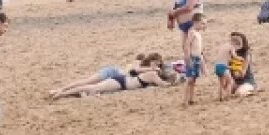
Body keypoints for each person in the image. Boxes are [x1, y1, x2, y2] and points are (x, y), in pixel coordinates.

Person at [48, 53, 177, 99]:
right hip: (117, 77)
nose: (157, 66)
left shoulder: (148, 73)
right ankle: (61, 92)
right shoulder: (147, 70)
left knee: (90, 87)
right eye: (156, 63)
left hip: (120, 80)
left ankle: (62, 92)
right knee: (90, 85)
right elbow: (164, 85)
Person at [167, 0, 203, 66]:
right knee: (185, 47)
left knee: (192, 48)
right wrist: (170, 19)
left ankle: (199, 70)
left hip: (193, 22)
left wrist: (174, 13)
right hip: (183, 24)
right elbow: (175, 6)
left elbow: (189, 7)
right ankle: (191, 69)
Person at [214, 31, 256, 99]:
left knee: (239, 93)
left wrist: (233, 69)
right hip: (234, 81)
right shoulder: (229, 52)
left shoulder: (246, 54)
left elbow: (243, 73)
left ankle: (250, 91)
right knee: (226, 87)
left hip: (246, 81)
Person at [181, 13, 206, 106]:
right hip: (192, 57)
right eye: (202, 23)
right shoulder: (192, 32)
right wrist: (188, 58)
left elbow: (199, 47)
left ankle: (191, 99)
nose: (204, 26)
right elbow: (187, 45)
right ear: (196, 22)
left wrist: (203, 56)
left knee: (194, 79)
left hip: (197, 57)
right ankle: (185, 100)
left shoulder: (198, 33)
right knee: (189, 79)